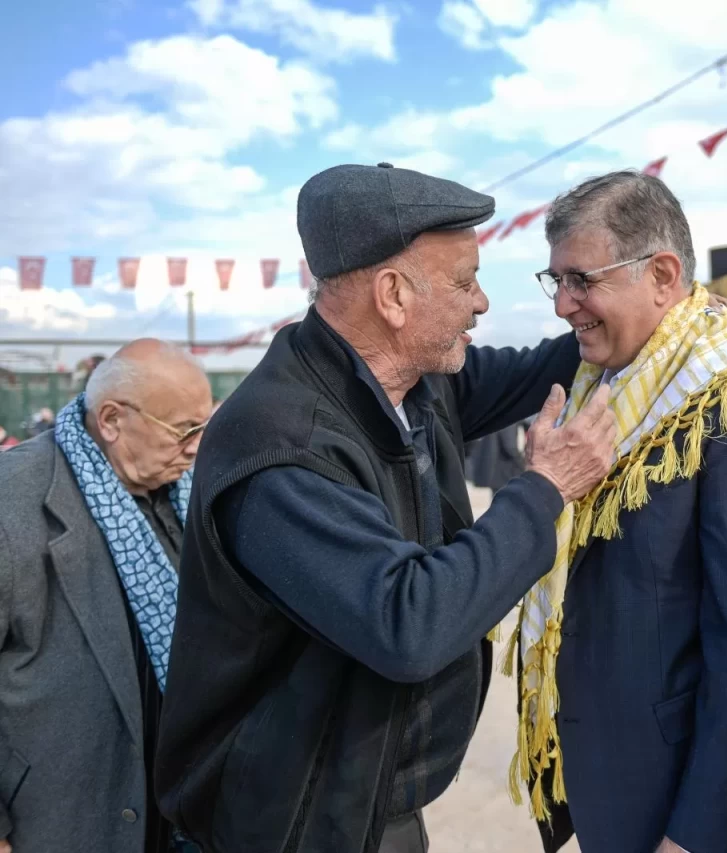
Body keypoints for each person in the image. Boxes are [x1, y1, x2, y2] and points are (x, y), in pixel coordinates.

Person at [155, 162, 619, 853]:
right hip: (288, 827)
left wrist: (665, 316)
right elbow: (410, 624)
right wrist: (545, 487)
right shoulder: (283, 445)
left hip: (363, 802)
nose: (482, 302)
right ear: (393, 295)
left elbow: (548, 363)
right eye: (465, 281)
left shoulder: (416, 384)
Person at [512, 171, 727, 853]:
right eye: (553, 280)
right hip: (617, 785)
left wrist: (699, 835)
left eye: (581, 279)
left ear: (664, 274)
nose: (563, 304)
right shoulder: (614, 383)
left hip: (690, 809)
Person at [0, 339, 211, 853]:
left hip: (179, 816)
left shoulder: (185, 492)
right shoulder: (13, 501)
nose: (198, 447)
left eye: (205, 428)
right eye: (185, 431)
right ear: (112, 420)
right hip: (60, 824)